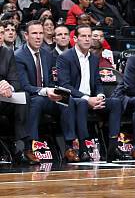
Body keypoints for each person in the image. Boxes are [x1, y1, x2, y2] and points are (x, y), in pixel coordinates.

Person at [15, 21, 80, 162]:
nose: (38, 37)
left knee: (66, 98)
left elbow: (51, 81)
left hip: (47, 95)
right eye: (34, 33)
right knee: (37, 101)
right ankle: (29, 147)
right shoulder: (19, 56)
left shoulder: (47, 54)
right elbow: (24, 86)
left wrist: (54, 90)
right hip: (31, 96)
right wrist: (45, 91)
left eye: (40, 33)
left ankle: (69, 146)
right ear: (26, 36)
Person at [56, 25, 123, 161]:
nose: (87, 39)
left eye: (89, 36)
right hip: (74, 98)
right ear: (75, 39)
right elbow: (65, 85)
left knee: (115, 102)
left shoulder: (93, 58)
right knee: (81, 103)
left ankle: (113, 146)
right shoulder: (65, 57)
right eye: (83, 36)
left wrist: (100, 96)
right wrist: (87, 98)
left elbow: (98, 82)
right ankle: (83, 148)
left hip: (92, 98)